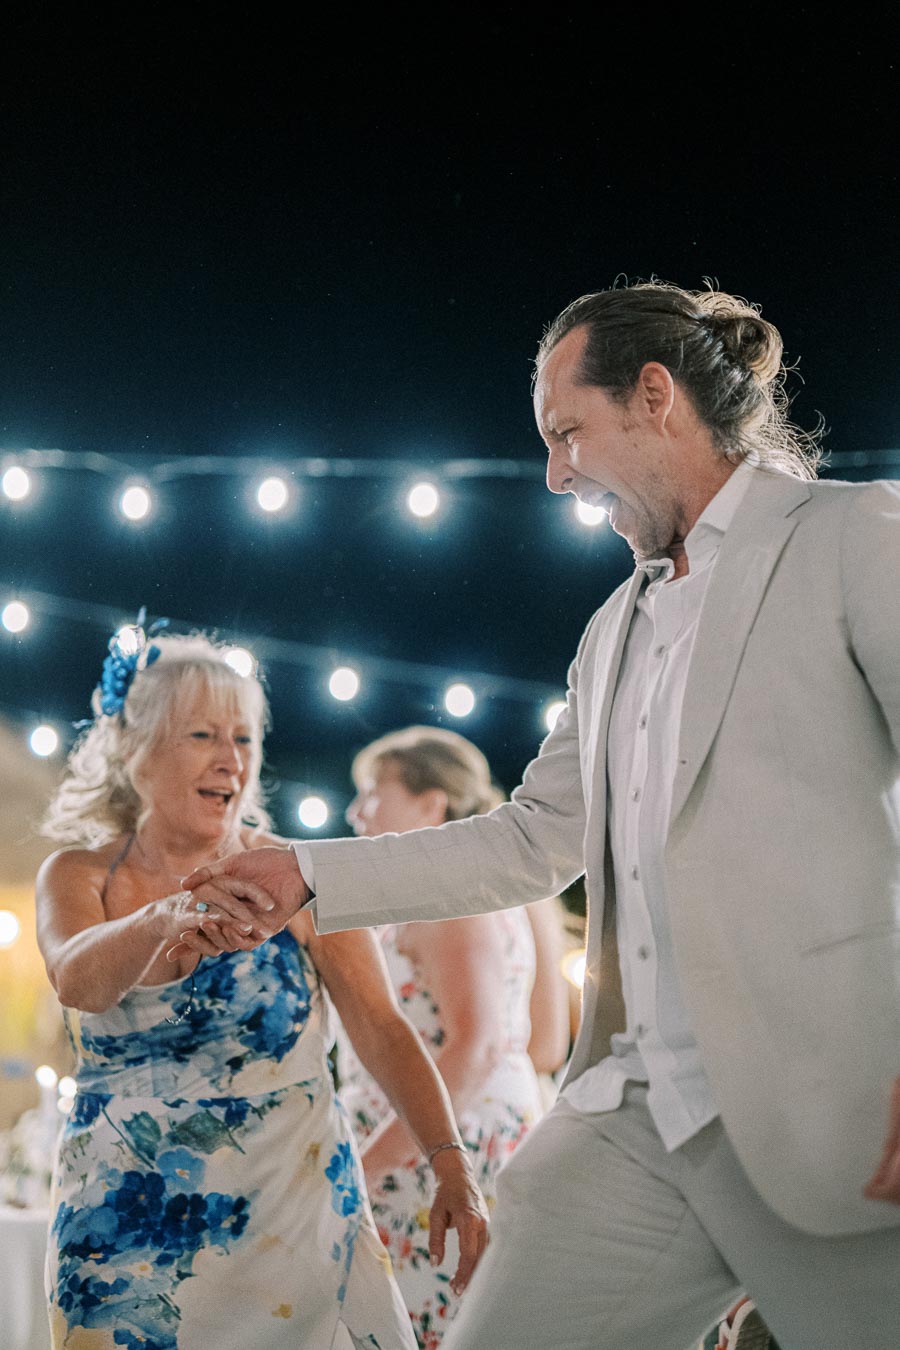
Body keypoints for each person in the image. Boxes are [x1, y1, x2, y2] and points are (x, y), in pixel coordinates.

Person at [179, 280, 900, 1350]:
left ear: (656, 397)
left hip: (835, 1110)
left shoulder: (855, 537)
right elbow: (531, 840)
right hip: (633, 1121)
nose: (558, 472)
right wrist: (309, 873)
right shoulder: (610, 631)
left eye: (569, 432)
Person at [36, 629, 488, 1350]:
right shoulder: (79, 874)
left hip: (294, 1222)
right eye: (204, 734)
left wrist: (450, 1161)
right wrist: (163, 918)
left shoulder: (294, 873)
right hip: (123, 1236)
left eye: (244, 738)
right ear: (136, 750)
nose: (232, 759)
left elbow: (380, 1026)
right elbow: (77, 980)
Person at [337, 726, 567, 1347]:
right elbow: (540, 1044)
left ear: (431, 805)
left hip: (438, 1147)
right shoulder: (466, 896)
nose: (356, 812)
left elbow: (477, 1044)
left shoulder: (452, 900)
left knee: (423, 1321)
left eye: (371, 792)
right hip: (447, 1134)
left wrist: (368, 1164)